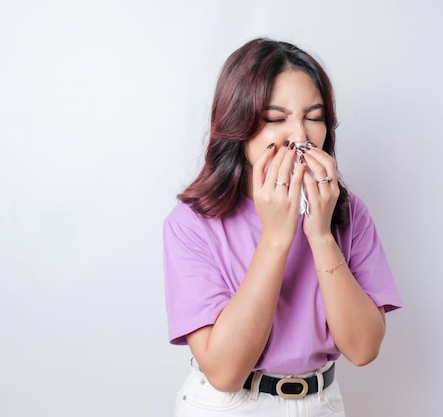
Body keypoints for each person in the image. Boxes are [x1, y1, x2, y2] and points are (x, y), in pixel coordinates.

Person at [163, 38, 402, 416]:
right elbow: (224, 370)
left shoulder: (350, 214)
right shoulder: (192, 224)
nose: (300, 136)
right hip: (228, 406)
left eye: (314, 116)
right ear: (238, 126)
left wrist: (321, 234)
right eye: (276, 118)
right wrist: (276, 237)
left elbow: (363, 349)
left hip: (320, 403)